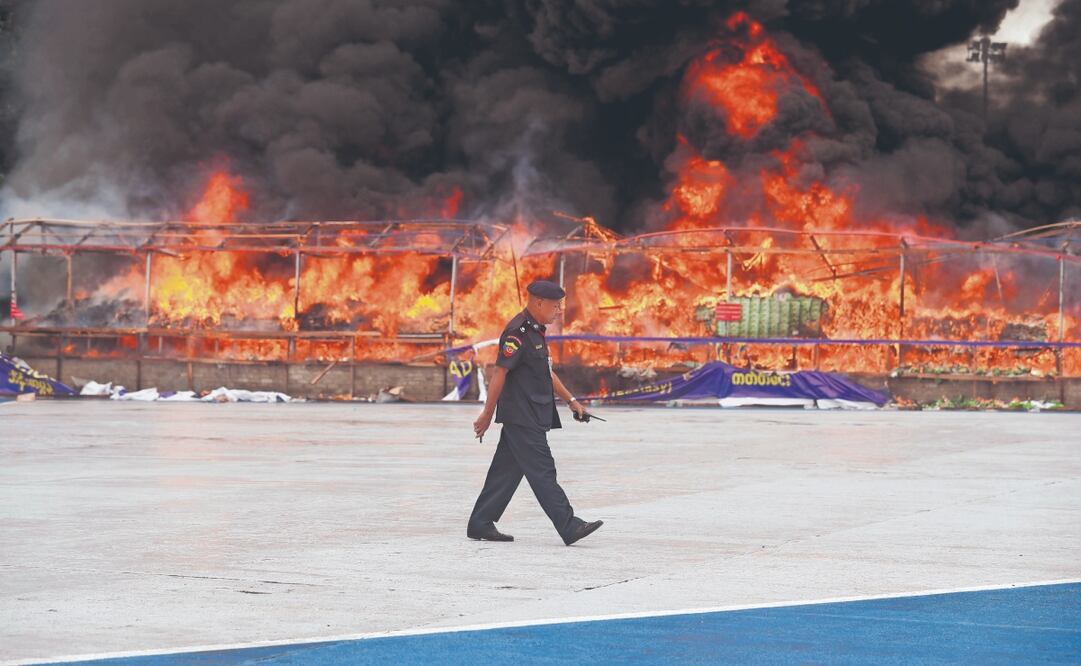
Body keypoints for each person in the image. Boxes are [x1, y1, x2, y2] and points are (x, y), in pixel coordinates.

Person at [467, 279, 603, 546]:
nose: (559, 310)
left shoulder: (535, 331)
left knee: (505, 471)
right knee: (543, 471)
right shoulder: (517, 332)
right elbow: (500, 373)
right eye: (556, 305)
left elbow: (545, 372)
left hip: (532, 412)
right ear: (539, 302)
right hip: (522, 415)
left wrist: (571, 401)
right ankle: (568, 525)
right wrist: (486, 413)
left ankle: (480, 522)